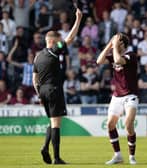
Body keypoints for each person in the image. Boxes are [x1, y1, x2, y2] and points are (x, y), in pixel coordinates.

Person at [32, 8, 82, 164]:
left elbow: (35, 78)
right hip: (54, 89)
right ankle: (56, 157)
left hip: (43, 91)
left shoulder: (37, 56)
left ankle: (46, 148)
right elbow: (70, 38)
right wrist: (78, 19)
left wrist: (39, 94)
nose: (61, 41)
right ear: (52, 41)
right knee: (56, 124)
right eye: (58, 39)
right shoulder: (54, 50)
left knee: (52, 121)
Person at [97, 33, 138, 165]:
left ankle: (132, 156)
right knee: (110, 125)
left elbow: (119, 60)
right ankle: (118, 155)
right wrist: (109, 44)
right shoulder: (114, 53)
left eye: (118, 42)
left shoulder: (131, 55)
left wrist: (114, 46)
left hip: (130, 95)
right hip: (117, 96)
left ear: (123, 44)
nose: (115, 44)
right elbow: (99, 61)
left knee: (128, 125)